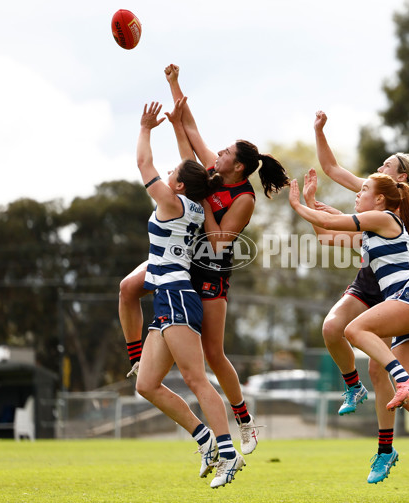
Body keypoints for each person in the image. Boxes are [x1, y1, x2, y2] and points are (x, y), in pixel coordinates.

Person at [118, 64, 290, 456]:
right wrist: (174, 84)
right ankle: (137, 358)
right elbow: (191, 133)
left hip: (209, 270)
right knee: (128, 288)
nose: (220, 153)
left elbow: (216, 242)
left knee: (213, 355)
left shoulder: (242, 199)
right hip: (178, 260)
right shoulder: (214, 171)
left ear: (238, 167)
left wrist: (200, 202)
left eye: (227, 152)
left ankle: (243, 421)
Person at [289, 172, 409, 496]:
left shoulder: (384, 216)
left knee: (354, 328)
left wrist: (296, 204)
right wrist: (309, 203)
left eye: (364, 189)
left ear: (379, 199)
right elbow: (327, 231)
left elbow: (329, 218)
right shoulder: (372, 233)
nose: (358, 194)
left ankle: (401, 379)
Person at [307, 110, 409, 484]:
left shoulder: (400, 210)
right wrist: (319, 131)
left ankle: (384, 450)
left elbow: (352, 233)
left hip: (396, 288)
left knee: (383, 372)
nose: (377, 168)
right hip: (371, 279)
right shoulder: (373, 193)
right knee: (333, 327)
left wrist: (319, 215)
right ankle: (352, 386)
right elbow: (331, 167)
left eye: (386, 165)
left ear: (400, 179)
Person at [133, 101, 246, 488]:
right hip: (169, 296)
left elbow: (144, 166)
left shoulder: (172, 201)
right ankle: (205, 439)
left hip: (177, 294)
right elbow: (188, 166)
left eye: (173, 174)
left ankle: (229, 455)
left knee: (197, 379)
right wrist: (179, 118)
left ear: (179, 186)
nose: (166, 174)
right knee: (146, 384)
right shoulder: (194, 203)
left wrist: (146, 127)